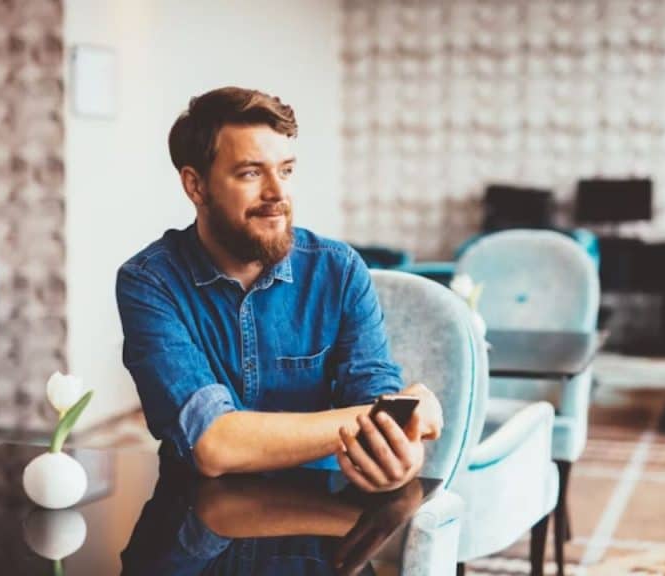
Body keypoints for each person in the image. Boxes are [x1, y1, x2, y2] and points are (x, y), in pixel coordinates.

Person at [116, 86, 443, 493]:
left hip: (320, 513)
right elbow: (213, 444)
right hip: (193, 524)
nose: (278, 193)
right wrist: (382, 416)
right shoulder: (150, 281)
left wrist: (400, 451)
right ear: (196, 186)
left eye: (286, 170)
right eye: (251, 173)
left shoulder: (339, 270)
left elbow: (374, 389)